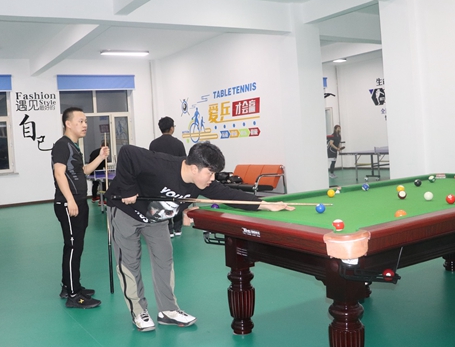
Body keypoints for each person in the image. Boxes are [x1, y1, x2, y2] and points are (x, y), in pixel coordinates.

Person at [104, 142, 293, 332]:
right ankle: (138, 311)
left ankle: (168, 310)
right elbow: (127, 153)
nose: (213, 179)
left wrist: (265, 204)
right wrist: (127, 189)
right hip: (125, 211)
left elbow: (229, 195)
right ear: (194, 168)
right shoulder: (160, 164)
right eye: (210, 173)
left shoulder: (201, 182)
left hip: (156, 217)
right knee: (129, 263)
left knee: (164, 260)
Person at [52, 107, 110, 309]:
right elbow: (59, 173)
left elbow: (83, 171)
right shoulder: (62, 145)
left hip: (79, 201)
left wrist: (100, 157)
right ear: (68, 124)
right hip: (69, 203)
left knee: (76, 246)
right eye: (81, 121)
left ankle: (69, 285)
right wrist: (70, 200)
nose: (85, 125)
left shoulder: (74, 146)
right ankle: (73, 295)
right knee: (72, 246)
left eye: (85, 121)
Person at [149, 116, 187, 237]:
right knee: (177, 201)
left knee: (163, 202)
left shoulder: (153, 144)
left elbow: (152, 162)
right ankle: (178, 228)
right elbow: (184, 162)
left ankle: (168, 228)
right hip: (176, 178)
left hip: (160, 179)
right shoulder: (179, 144)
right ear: (171, 128)